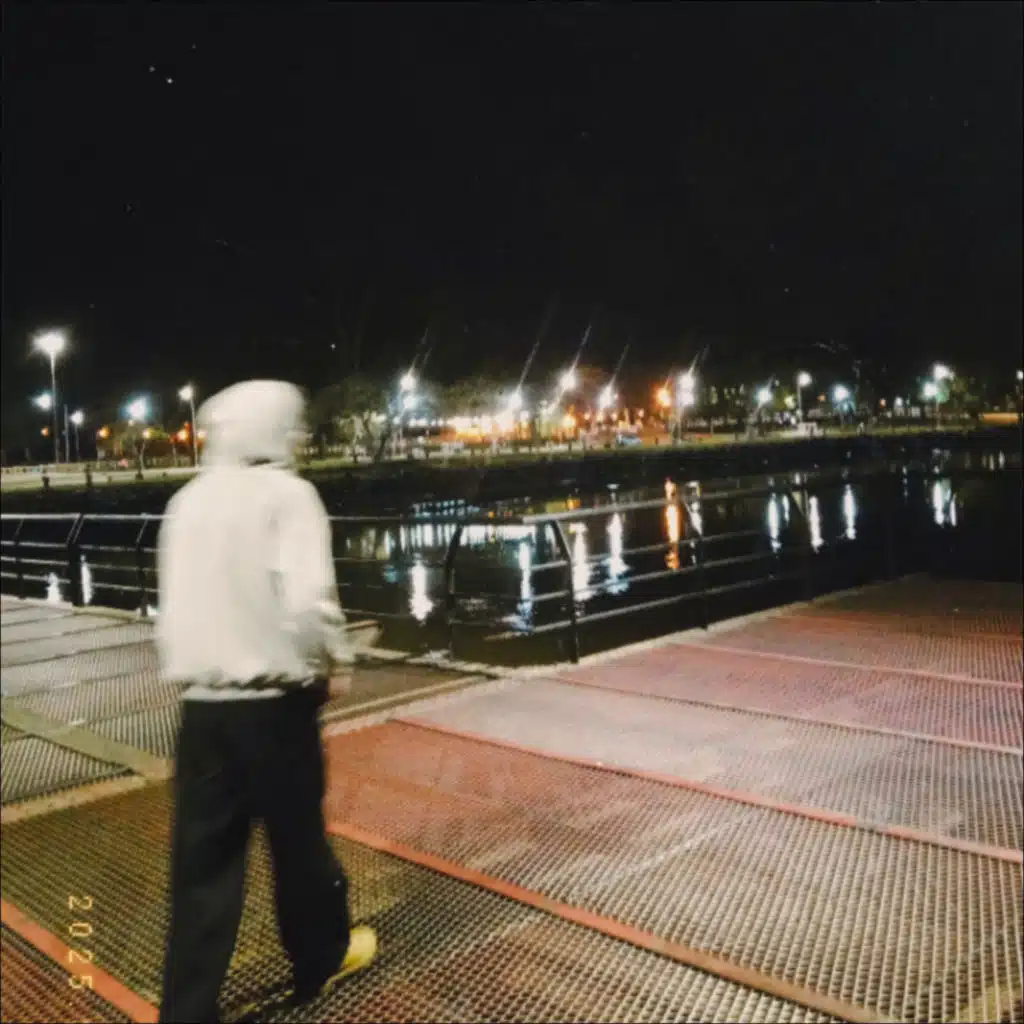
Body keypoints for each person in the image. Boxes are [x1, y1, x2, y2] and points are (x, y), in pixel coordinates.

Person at [155, 380, 376, 1023]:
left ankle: (187, 1009)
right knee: (298, 843)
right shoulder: (288, 496)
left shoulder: (186, 502)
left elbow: (174, 611)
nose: (301, 437)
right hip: (275, 705)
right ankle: (319, 957)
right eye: (295, 425)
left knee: (202, 869)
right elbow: (307, 604)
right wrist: (336, 659)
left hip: (202, 709)